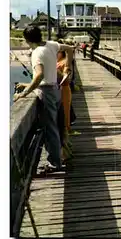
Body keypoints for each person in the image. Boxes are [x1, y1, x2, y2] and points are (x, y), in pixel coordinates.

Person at [13, 26, 75, 174]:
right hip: (55, 89)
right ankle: (58, 159)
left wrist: (24, 93)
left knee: (50, 128)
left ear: (27, 40)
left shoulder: (36, 53)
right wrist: (68, 65)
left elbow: (40, 75)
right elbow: (70, 49)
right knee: (56, 125)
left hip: (46, 92)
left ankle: (55, 164)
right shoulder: (50, 44)